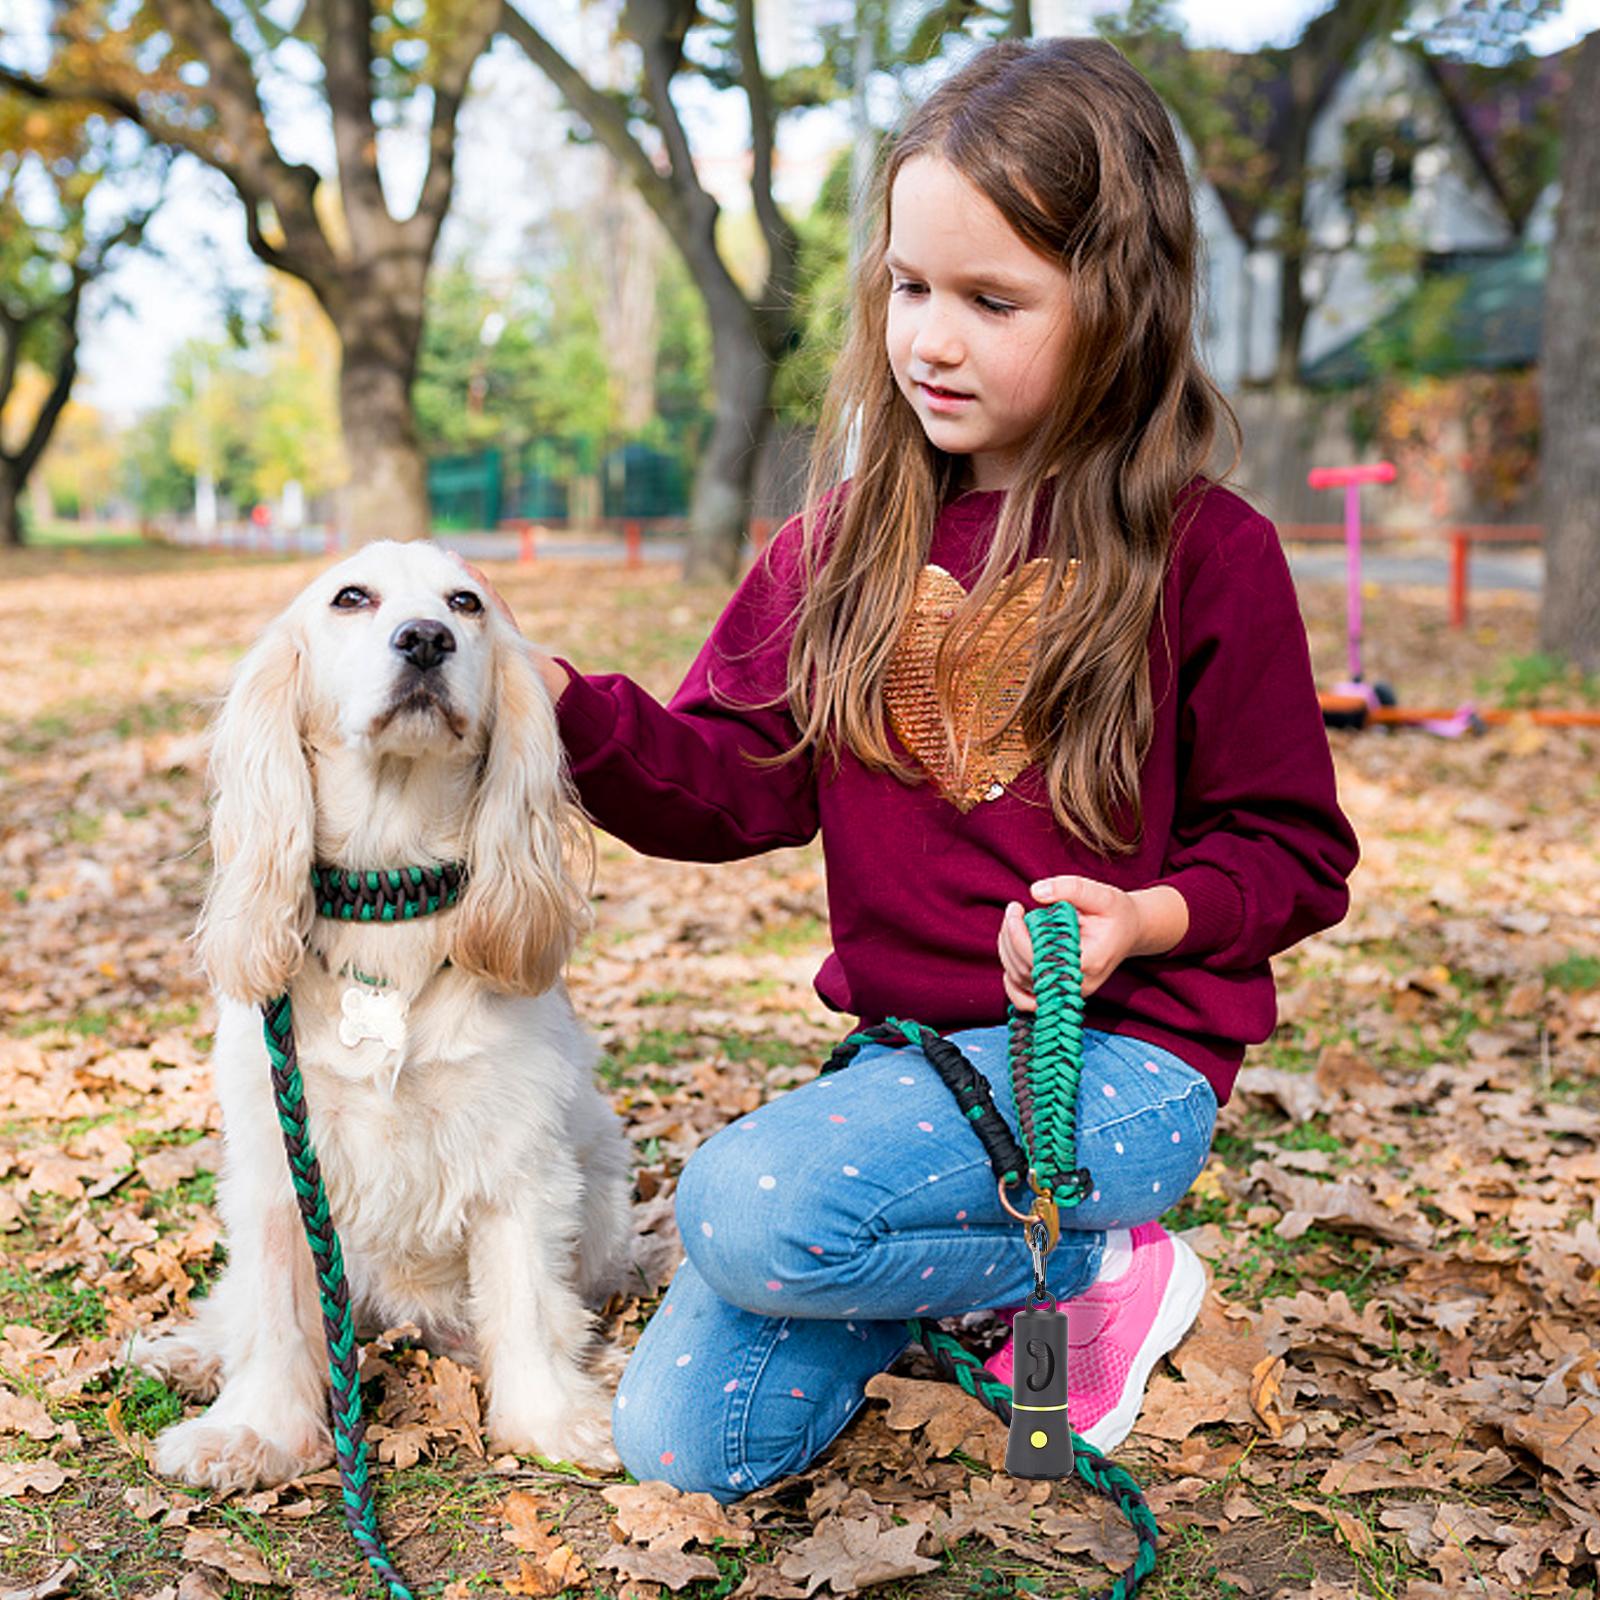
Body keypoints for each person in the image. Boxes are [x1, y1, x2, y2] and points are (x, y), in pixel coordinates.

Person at [517, 36, 1358, 1500]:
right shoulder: (839, 549)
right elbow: (732, 781)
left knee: (745, 1202)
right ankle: (985, 1273)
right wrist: (562, 709)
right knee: (690, 1446)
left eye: (992, 300)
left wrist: (1145, 918)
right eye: (910, 288)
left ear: (1118, 308)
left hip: (1121, 1069)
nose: (933, 341)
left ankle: (1096, 1261)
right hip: (912, 1074)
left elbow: (1294, 850)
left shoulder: (1207, 558)